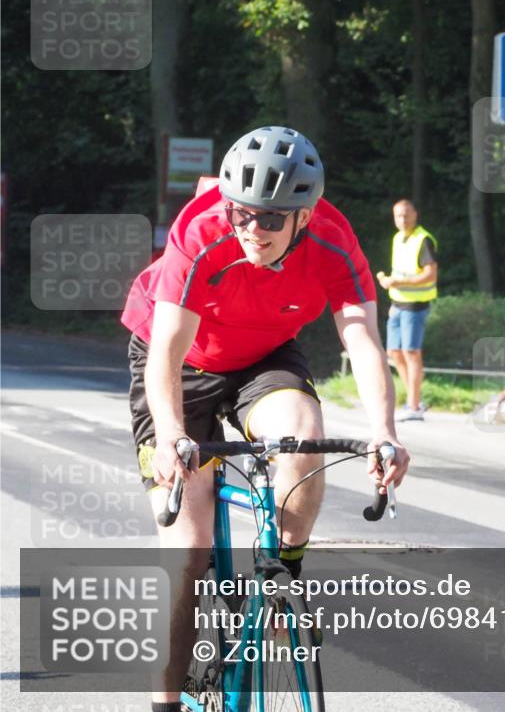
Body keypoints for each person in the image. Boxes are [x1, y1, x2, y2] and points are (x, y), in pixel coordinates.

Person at [120, 126, 410, 712]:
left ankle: (285, 582)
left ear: (304, 217)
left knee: (303, 439)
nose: (253, 230)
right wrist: (174, 434)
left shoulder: (334, 241)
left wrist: (384, 431)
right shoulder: (200, 231)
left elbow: (361, 340)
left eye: (272, 220)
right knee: (187, 556)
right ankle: (165, 702)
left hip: (264, 355)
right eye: (242, 214)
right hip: (182, 361)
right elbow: (166, 355)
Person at [375, 199, 438, 421]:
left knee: (412, 352)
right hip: (398, 303)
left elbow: (430, 274)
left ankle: (413, 405)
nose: (402, 219)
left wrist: (399, 283)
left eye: (406, 215)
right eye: (398, 216)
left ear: (415, 214)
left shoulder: (423, 239)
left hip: (416, 304)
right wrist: (391, 284)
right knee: (394, 352)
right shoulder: (398, 238)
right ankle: (415, 398)